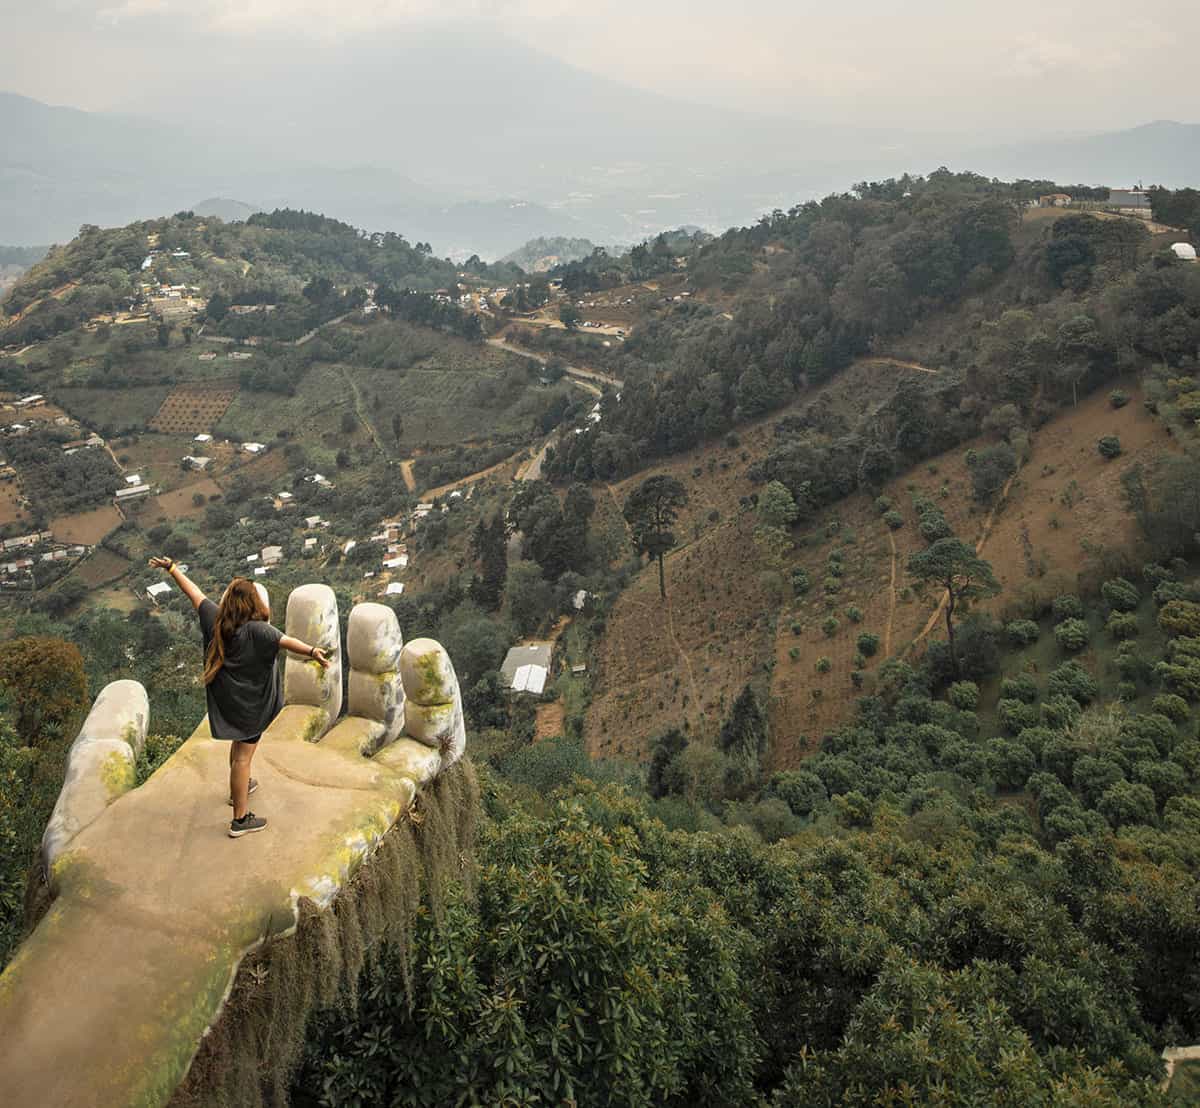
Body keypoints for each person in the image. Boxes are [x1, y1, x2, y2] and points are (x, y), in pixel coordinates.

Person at [148, 557, 331, 838]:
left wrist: (172, 568)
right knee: (244, 758)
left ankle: (240, 790)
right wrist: (312, 652)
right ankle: (240, 819)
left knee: (238, 752)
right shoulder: (258, 630)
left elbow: (193, 592)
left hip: (229, 703)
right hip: (251, 706)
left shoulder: (215, 621)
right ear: (252, 603)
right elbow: (286, 641)